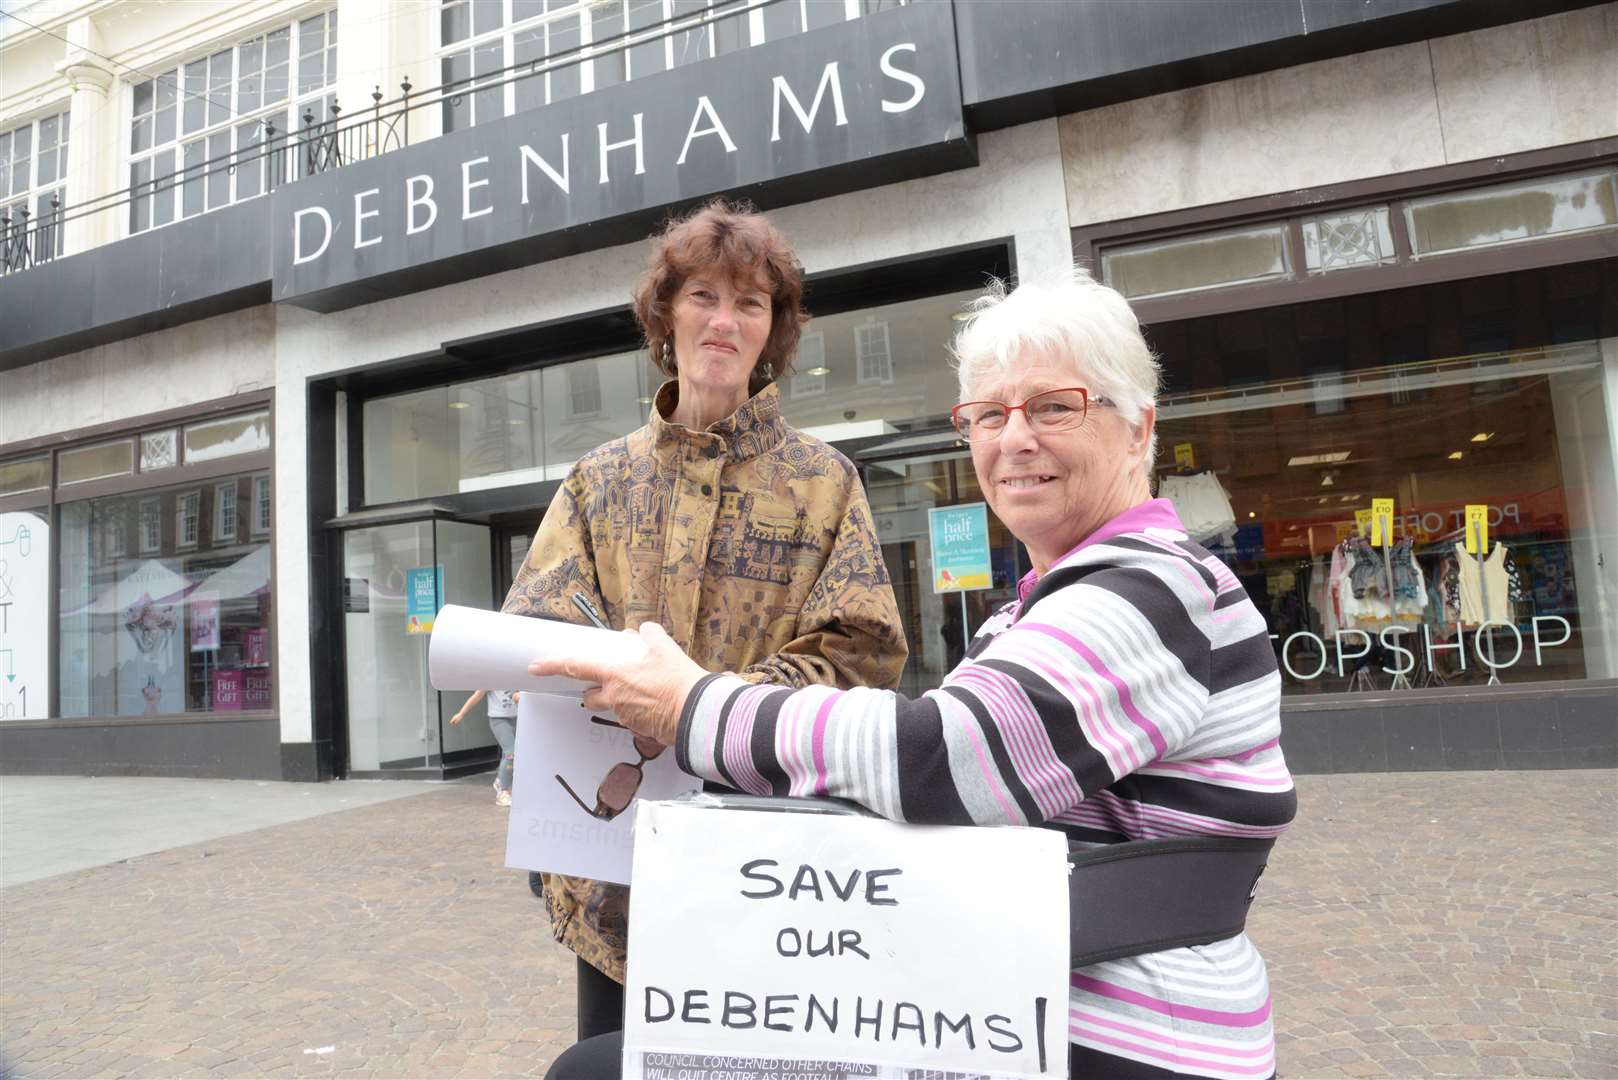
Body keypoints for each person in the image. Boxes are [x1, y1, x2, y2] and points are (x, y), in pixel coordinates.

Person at [534, 267, 1296, 1080]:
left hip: (1112, 1026)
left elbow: (941, 752)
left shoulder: (1152, 588)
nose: (1014, 438)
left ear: (1139, 429)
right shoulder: (1038, 609)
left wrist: (693, 706)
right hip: (989, 986)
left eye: (1053, 406)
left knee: (598, 1073)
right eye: (988, 415)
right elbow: (542, 620)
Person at [501, 199, 908, 1047]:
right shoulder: (597, 481)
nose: (724, 320)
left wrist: (713, 707)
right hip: (615, 877)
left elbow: (863, 651)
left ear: (773, 332)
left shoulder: (824, 483)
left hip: (765, 866)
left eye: (750, 303)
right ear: (666, 313)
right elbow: (533, 626)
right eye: (703, 297)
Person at [448, 690, 518, 806]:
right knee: (511, 753)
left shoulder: (515, 674)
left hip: (516, 718)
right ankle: (503, 791)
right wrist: (461, 714)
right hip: (499, 719)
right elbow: (477, 695)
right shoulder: (491, 676)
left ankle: (501, 780)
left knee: (510, 753)